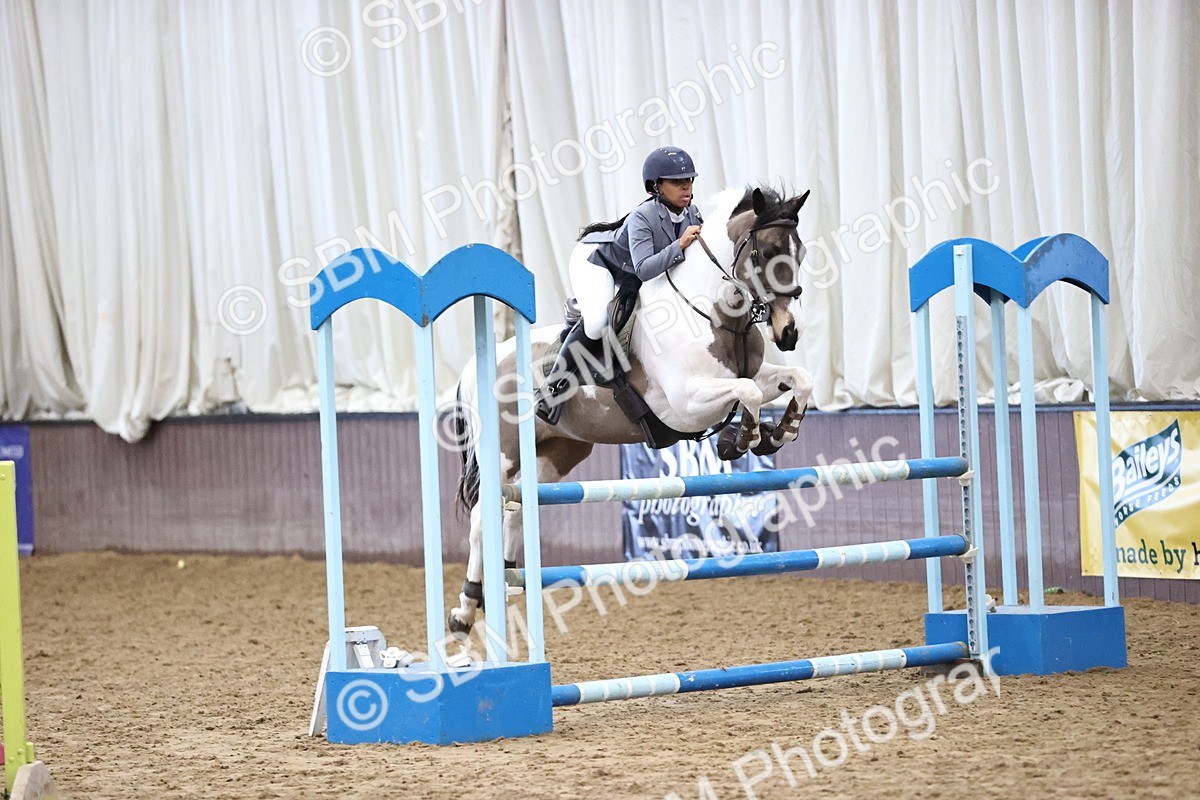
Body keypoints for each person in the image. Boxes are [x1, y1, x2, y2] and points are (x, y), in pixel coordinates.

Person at [536, 146, 705, 424]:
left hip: (630, 273)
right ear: (656, 186)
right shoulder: (643, 216)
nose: (686, 187)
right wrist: (681, 244)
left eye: (688, 180)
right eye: (677, 182)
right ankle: (552, 389)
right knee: (597, 323)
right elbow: (645, 268)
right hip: (598, 263)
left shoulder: (692, 214)